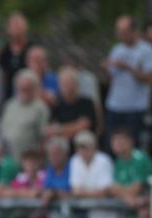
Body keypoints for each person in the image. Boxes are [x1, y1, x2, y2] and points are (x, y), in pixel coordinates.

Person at [103, 15, 152, 147]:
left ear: (133, 31)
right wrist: (106, 69)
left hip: (135, 108)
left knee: (133, 146)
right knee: (112, 145)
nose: (120, 35)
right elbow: (110, 78)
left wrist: (128, 67)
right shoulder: (117, 49)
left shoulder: (146, 50)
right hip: (114, 106)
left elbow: (148, 79)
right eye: (118, 32)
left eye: (123, 32)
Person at [0, 70, 49, 162]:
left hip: (28, 161)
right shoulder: (10, 105)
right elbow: (2, 129)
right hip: (8, 158)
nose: (23, 91)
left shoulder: (40, 108)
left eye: (27, 89)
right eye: (21, 88)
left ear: (34, 89)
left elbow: (44, 137)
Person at [109, 127, 152, 217]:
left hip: (145, 201)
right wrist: (126, 198)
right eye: (114, 141)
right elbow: (113, 189)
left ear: (129, 141)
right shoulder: (118, 161)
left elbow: (137, 188)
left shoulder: (140, 158)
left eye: (119, 141)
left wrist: (123, 193)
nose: (115, 144)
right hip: (131, 203)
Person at [48, 67, 96, 144]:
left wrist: (59, 129)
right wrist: (72, 128)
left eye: (69, 83)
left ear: (76, 84)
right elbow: (50, 129)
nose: (66, 87)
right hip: (61, 143)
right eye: (63, 83)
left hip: (81, 145)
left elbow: (83, 126)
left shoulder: (87, 103)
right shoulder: (55, 103)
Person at [68, 130, 113, 198]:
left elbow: (104, 191)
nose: (83, 150)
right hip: (82, 205)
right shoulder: (74, 160)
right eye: (80, 147)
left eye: (86, 147)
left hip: (105, 204)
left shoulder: (104, 160)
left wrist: (83, 192)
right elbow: (75, 190)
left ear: (94, 146)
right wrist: (95, 193)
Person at [0, 12, 32, 99]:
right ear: (8, 29)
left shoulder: (32, 49)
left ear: (26, 27)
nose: (17, 28)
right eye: (14, 24)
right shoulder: (5, 52)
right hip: (10, 96)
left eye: (19, 24)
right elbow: (3, 77)